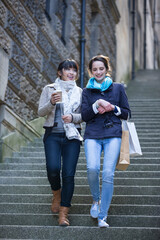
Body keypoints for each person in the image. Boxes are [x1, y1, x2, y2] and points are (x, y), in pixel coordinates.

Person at [81, 55, 131, 228]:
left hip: (113, 134)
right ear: (90, 71)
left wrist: (113, 108)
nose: (98, 72)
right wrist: (97, 105)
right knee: (92, 168)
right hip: (93, 134)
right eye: (94, 69)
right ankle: (96, 199)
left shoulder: (118, 88)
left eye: (101, 68)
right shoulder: (86, 91)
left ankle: (103, 215)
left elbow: (126, 113)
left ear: (107, 69)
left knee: (108, 174)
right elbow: (84, 116)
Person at [38, 59, 83, 226]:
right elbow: (40, 111)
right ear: (60, 72)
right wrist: (51, 102)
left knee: (69, 174)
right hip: (53, 135)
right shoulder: (49, 89)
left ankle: (63, 213)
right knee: (53, 169)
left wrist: (73, 117)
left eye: (74, 70)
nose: (71, 73)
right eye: (67, 70)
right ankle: (56, 193)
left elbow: (84, 116)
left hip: (72, 137)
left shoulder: (80, 92)